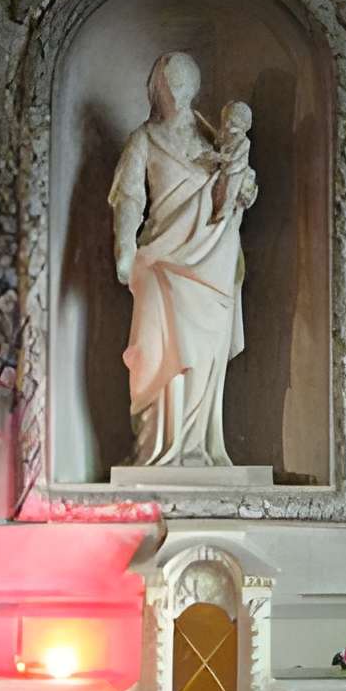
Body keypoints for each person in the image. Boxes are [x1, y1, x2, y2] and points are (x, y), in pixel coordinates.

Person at [108, 53, 255, 470]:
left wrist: (236, 174)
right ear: (158, 88)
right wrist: (124, 248)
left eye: (183, 85)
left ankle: (196, 450)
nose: (176, 93)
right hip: (158, 261)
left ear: (193, 89)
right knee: (153, 353)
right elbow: (130, 197)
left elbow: (236, 194)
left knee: (202, 358)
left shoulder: (215, 139)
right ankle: (156, 449)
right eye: (169, 84)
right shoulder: (144, 140)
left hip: (210, 262)